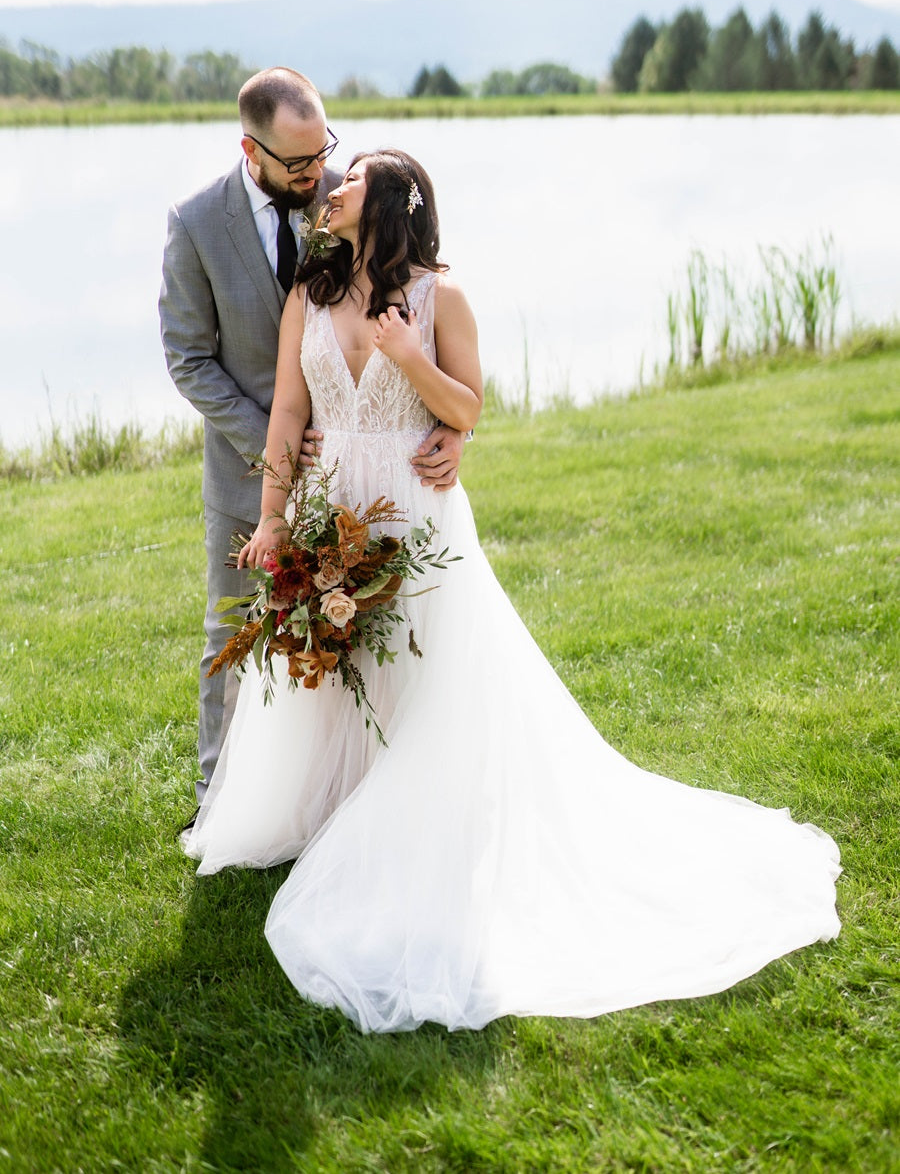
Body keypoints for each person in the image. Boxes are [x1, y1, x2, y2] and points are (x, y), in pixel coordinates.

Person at [183, 149, 841, 1035]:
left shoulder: (440, 298)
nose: (332, 188)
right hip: (327, 497)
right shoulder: (310, 290)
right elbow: (290, 416)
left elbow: (468, 410)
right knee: (333, 666)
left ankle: (412, 822)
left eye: (351, 179)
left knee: (421, 671)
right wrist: (270, 520)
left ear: (389, 202)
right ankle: (336, 812)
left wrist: (411, 358)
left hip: (414, 514)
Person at [158, 69, 463, 807]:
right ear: (250, 149)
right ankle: (220, 793)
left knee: (369, 636)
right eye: (298, 163)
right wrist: (280, 445)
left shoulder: (358, 198)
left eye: (323, 152)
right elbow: (187, 358)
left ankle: (348, 793)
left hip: (371, 471)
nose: (317, 173)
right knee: (235, 629)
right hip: (251, 464)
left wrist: (451, 428)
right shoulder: (197, 222)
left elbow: (419, 323)